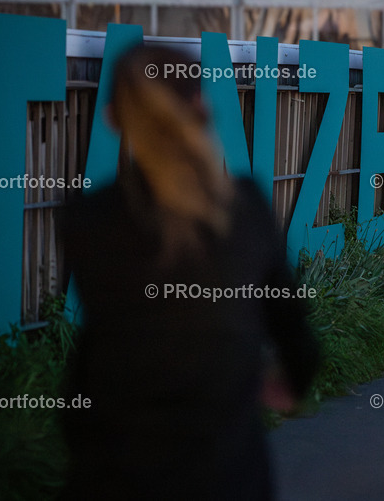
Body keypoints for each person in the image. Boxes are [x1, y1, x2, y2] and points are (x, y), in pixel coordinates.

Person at [61, 45, 319, 500]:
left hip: (115, 470)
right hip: (227, 474)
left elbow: (110, 338)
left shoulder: (89, 220)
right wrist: (289, 382)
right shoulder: (245, 207)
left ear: (113, 118)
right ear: (202, 108)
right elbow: (293, 330)